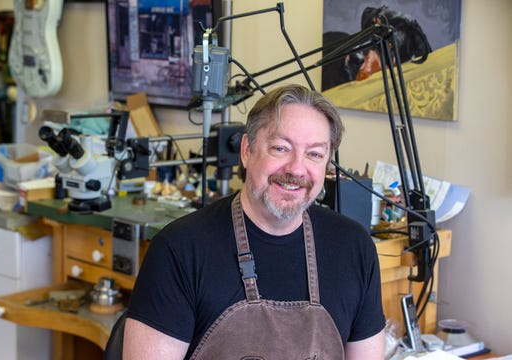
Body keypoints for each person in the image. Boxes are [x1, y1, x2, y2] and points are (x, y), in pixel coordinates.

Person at [123, 84, 386, 359]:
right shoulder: (180, 250)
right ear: (247, 150)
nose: (296, 168)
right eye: (280, 148)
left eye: (314, 154)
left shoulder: (354, 248)